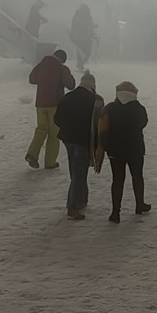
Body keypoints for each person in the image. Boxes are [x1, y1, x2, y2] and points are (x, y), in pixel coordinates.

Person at [95, 80, 150, 223]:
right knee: (137, 176)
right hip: (135, 149)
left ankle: (115, 213)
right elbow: (143, 123)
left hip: (114, 150)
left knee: (117, 180)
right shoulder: (139, 108)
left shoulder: (110, 108)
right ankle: (140, 204)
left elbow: (101, 126)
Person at [55, 70, 104, 220]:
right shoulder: (96, 100)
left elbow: (57, 119)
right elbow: (99, 124)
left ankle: (82, 199)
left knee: (75, 170)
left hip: (68, 139)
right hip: (83, 141)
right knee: (79, 173)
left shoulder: (68, 97)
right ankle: (73, 206)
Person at [25, 48, 75, 170]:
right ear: (62, 59)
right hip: (55, 104)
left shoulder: (41, 65)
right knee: (54, 132)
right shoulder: (61, 68)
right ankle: (50, 162)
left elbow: (32, 79)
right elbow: (71, 85)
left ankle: (32, 154)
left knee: (41, 129)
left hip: (40, 104)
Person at [70, 3, 97, 71]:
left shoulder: (85, 15)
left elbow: (89, 26)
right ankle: (80, 65)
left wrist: (92, 32)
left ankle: (81, 64)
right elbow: (82, 26)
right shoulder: (81, 15)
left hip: (84, 37)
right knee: (83, 51)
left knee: (84, 51)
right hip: (81, 37)